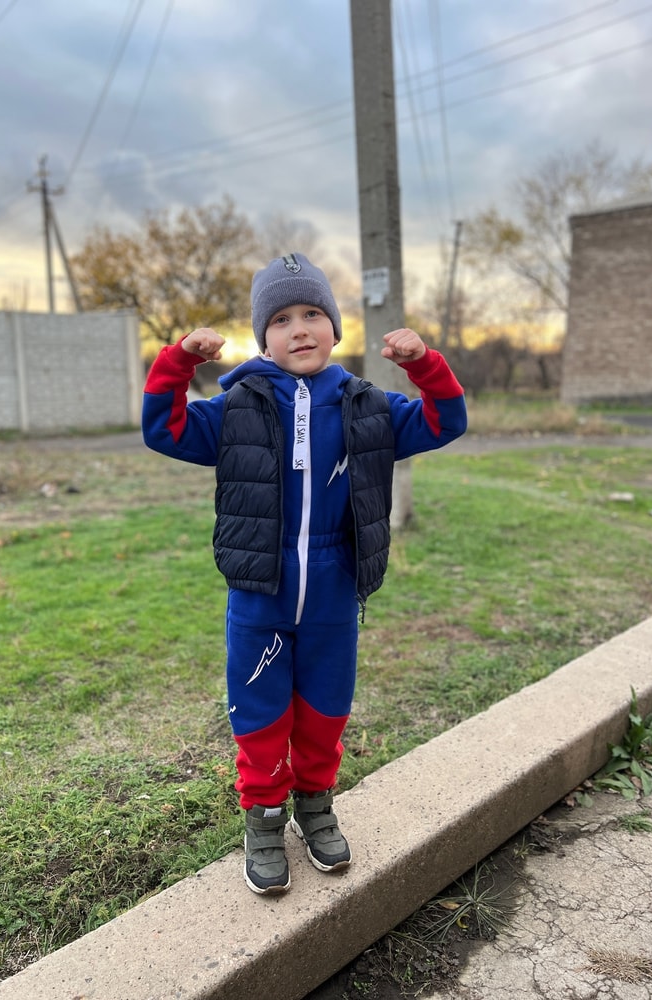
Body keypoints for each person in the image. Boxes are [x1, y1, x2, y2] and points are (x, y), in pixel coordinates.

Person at [142, 252, 466, 895]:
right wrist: (178, 362)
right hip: (259, 589)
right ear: (264, 337)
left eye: (313, 313)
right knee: (260, 710)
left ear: (335, 328)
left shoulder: (367, 407)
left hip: (333, 589)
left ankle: (315, 806)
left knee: (325, 709)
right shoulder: (235, 407)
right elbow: (163, 428)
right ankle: (264, 819)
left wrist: (424, 364)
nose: (299, 328)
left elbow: (445, 420)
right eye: (282, 319)